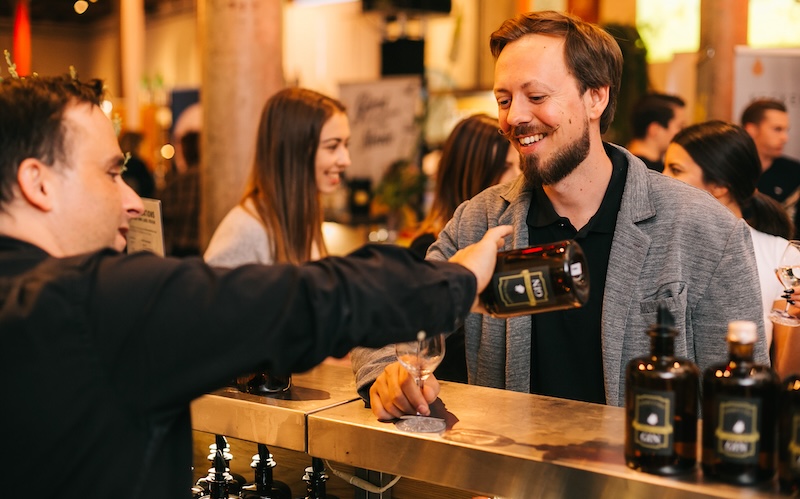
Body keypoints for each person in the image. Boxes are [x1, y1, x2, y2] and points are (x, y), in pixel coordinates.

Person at [0, 74, 511, 498]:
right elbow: (308, 300)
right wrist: (456, 278)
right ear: (38, 182)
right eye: (112, 174)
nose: (133, 202)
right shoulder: (88, 302)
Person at [351, 10, 766, 421]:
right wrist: (387, 372)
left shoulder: (705, 230)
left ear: (596, 98)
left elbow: (742, 403)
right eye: (504, 100)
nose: (514, 117)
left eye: (536, 97)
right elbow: (395, 315)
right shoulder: (479, 221)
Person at [409, 113, 521, 383]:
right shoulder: (430, 249)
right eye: (507, 167)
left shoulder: (502, 237)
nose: (518, 176)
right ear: (474, 171)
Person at [664, 120, 792, 348]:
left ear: (720, 186)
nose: (661, 178)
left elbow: (785, 370)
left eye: (675, 169)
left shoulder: (781, 257)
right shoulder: (661, 246)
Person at [205, 87, 348, 267]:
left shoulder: (301, 217)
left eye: (346, 145)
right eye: (332, 147)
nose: (345, 160)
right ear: (296, 150)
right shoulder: (247, 229)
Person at [741, 98, 800, 234]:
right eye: (777, 129)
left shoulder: (795, 173)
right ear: (751, 130)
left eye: (786, 130)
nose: (785, 138)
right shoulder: (729, 170)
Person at [159, 131, 200, 256]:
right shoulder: (212, 180)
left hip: (180, 247)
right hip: (202, 246)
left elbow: (164, 211)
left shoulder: (178, 181)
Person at [625, 92, 686, 173]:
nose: (684, 133)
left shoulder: (620, 161)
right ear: (655, 129)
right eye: (680, 127)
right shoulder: (651, 173)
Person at [120, 130, 156, 198]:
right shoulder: (139, 166)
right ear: (137, 146)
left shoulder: (117, 163)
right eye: (145, 145)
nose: (147, 149)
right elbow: (149, 190)